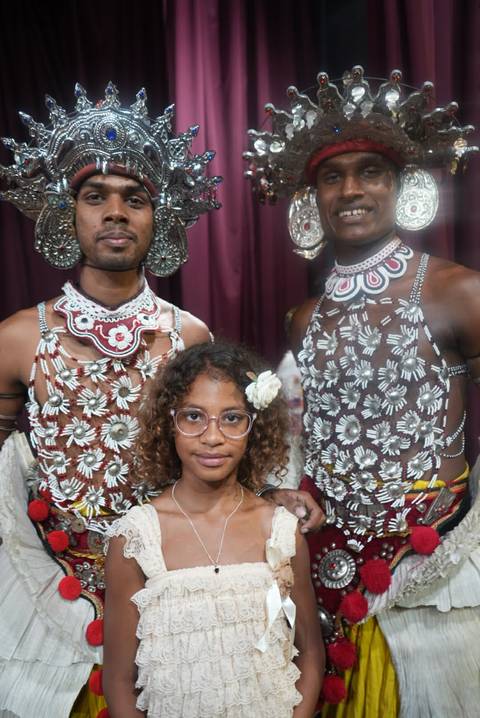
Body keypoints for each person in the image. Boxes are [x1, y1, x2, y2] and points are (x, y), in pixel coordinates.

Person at [0, 82, 322, 718]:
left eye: (135, 199)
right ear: (69, 216)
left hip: (173, 588)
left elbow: (219, 447)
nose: (114, 213)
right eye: (95, 197)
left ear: (160, 218)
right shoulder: (17, 337)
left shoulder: (189, 335)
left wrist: (272, 495)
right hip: (51, 591)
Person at [245, 65, 480, 716]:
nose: (351, 190)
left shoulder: (457, 290)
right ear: (311, 199)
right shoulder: (302, 317)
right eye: (331, 175)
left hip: (437, 574)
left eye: (370, 172)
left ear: (401, 186)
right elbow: (307, 440)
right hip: (327, 565)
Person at [103, 340, 325, 717]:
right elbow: (120, 680)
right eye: (193, 416)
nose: (212, 436)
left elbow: (311, 657)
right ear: (167, 423)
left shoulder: (280, 532)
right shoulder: (138, 538)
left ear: (254, 427)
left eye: (232, 418)